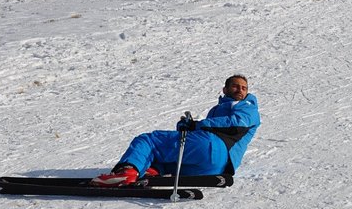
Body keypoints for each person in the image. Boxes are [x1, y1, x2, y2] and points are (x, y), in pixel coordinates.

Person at [92, 75, 261, 186]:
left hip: (215, 148)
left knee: (149, 141)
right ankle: (151, 173)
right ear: (225, 89)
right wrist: (188, 128)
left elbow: (237, 123)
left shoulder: (247, 106)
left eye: (244, 88)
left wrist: (196, 125)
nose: (240, 90)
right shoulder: (218, 109)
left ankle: (127, 172)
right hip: (214, 168)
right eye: (235, 86)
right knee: (165, 159)